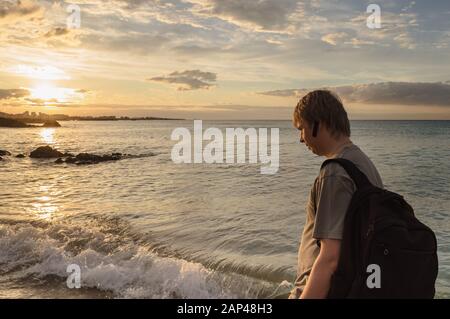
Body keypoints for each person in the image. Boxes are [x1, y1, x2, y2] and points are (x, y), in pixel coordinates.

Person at [289, 90, 383, 299]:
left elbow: (330, 257)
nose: (301, 139)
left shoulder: (334, 173)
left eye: (301, 128)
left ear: (318, 124)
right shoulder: (364, 164)